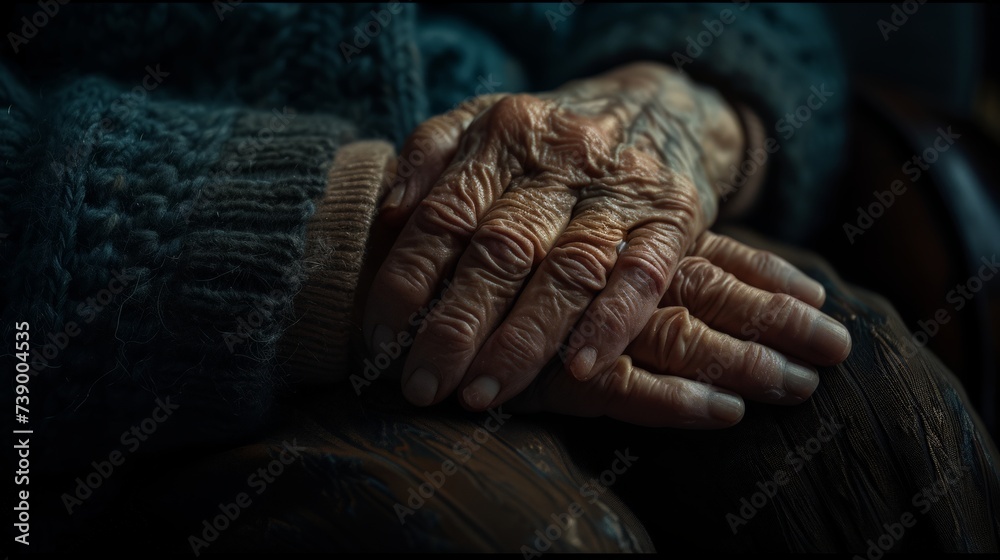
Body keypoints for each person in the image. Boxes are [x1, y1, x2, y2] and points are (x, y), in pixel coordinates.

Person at [1, 2, 996, 553]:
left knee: (860, 416)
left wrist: (674, 95)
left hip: (588, 172)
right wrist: (311, 236)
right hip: (123, 305)